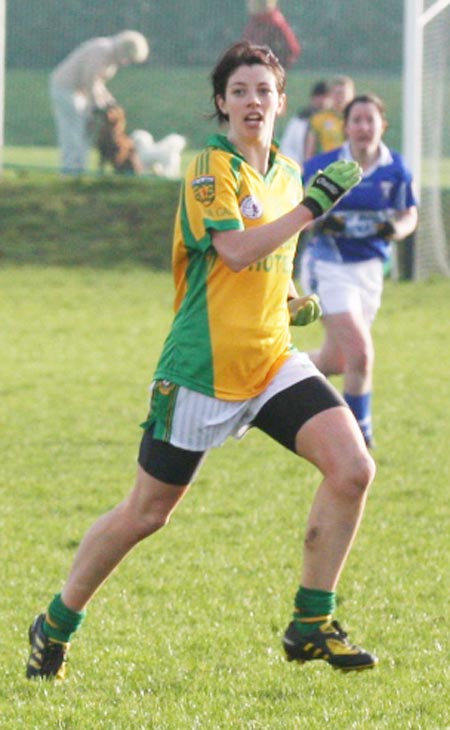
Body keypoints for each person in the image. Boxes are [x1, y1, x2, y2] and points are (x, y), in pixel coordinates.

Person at [26, 41, 378, 682]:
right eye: (238, 91)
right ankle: (56, 621)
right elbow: (237, 251)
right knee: (146, 514)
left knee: (353, 468)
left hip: (271, 360)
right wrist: (310, 209)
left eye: (263, 91)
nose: (251, 102)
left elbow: (268, 265)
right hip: (200, 371)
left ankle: (311, 621)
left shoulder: (289, 172)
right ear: (222, 102)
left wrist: (293, 299)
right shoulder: (208, 170)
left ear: (279, 101)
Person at [300, 93, 418, 448]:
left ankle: (269, 372)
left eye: (371, 120)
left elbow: (409, 214)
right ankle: (357, 438)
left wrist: (394, 230)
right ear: (346, 126)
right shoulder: (323, 166)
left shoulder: (395, 168)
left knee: (335, 360)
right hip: (327, 266)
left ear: (383, 124)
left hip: (369, 271)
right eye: (357, 120)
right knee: (361, 354)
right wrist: (318, 222)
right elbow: (296, 213)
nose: (364, 127)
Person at [49, 31, 149, 174]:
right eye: (129, 58)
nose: (126, 62)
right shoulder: (102, 50)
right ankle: (71, 172)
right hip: (66, 90)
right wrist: (98, 105)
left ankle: (78, 170)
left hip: (79, 94)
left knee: (83, 133)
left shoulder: (110, 57)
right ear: (124, 49)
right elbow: (89, 80)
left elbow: (98, 84)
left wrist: (110, 101)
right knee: (74, 133)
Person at [280, 80, 331, 166]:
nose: (322, 101)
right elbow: (287, 146)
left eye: (326, 97)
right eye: (319, 97)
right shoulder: (300, 120)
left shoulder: (335, 121)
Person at [303, 75, 354, 161]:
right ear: (331, 95)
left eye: (343, 93)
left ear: (352, 95)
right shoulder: (318, 119)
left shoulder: (358, 120)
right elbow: (309, 152)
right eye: (337, 93)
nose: (340, 97)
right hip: (327, 168)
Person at [243, 0, 301, 68]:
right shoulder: (255, 22)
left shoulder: (275, 23)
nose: (249, 4)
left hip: (266, 69)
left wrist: (275, 66)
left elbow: (292, 49)